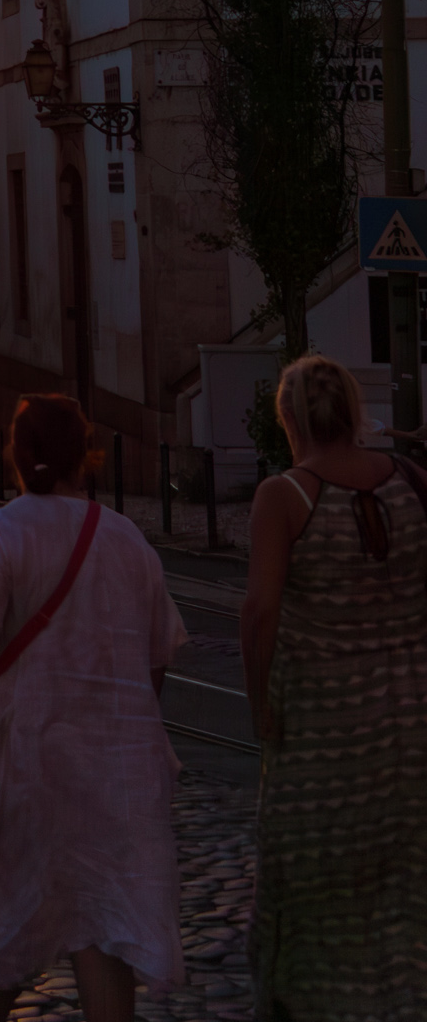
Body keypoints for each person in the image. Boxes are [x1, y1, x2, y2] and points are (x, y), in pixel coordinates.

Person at [0, 393, 186, 1021]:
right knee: (101, 929)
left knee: (0, 930)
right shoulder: (129, 541)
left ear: (19, 457)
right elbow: (155, 661)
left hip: (21, 761)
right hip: (116, 774)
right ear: (86, 458)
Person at [241, 352, 427, 1020]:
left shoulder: (284, 496)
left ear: (290, 419)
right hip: (409, 740)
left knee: (313, 908)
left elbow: (260, 611)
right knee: (403, 900)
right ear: (353, 411)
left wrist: (259, 701)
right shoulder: (411, 484)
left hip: (321, 747)